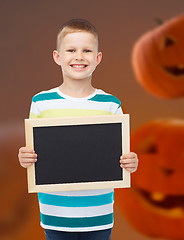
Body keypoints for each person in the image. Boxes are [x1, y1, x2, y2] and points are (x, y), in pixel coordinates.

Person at [18, 18, 138, 240]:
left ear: (97, 58)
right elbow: (32, 151)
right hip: (55, 214)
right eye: (71, 50)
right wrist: (24, 156)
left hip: (98, 214)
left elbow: (122, 155)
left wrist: (131, 162)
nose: (79, 57)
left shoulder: (110, 104)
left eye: (87, 51)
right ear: (57, 57)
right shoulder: (41, 102)